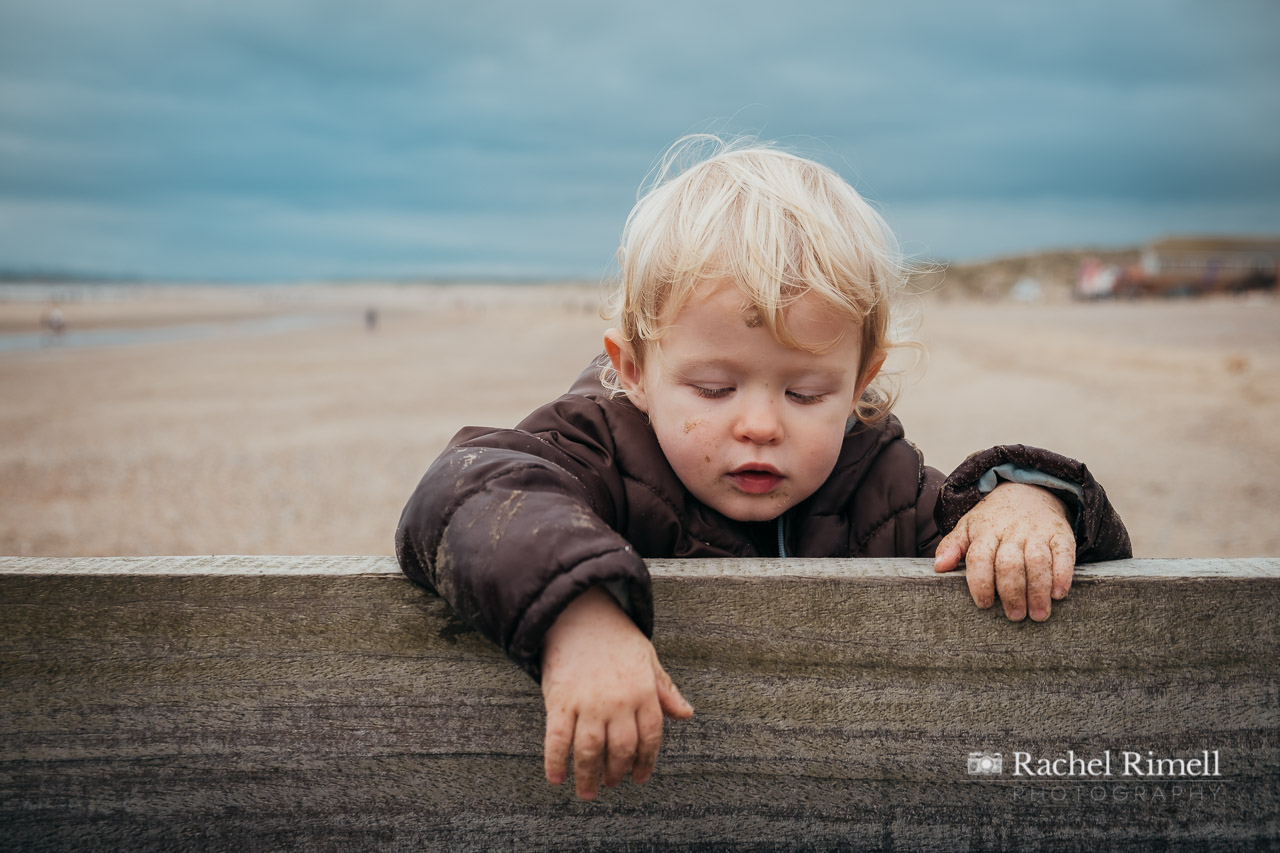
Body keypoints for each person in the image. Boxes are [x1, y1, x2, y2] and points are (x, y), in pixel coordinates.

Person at [395, 135, 1131, 801]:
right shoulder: (596, 447)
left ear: (857, 383)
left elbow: (1005, 527)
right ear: (635, 368)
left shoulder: (882, 483)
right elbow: (464, 491)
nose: (758, 423)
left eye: (806, 392)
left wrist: (1030, 501)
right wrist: (578, 614)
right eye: (713, 389)